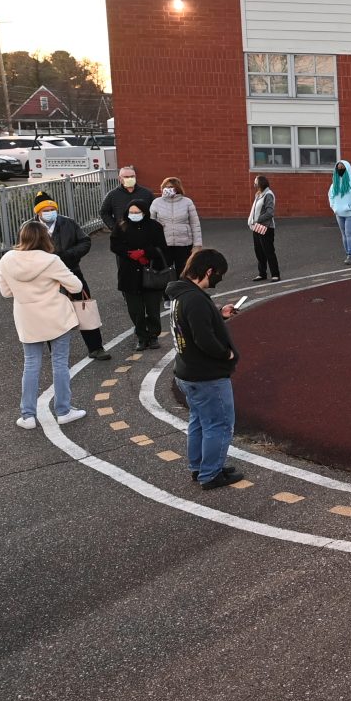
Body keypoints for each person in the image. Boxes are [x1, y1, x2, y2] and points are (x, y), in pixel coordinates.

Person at [0, 218, 88, 431]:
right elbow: (75, 286)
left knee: (31, 364)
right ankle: (64, 410)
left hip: (27, 317)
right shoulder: (51, 260)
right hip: (56, 316)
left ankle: (27, 415)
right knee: (59, 363)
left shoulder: (7, 259)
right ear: (44, 238)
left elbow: (5, 292)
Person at [168, 248, 244, 489]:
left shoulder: (181, 294)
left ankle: (200, 466)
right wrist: (226, 353)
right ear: (208, 271)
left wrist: (218, 314)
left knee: (199, 420)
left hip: (186, 370)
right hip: (206, 374)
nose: (218, 279)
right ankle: (211, 474)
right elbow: (203, 338)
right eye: (218, 274)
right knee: (219, 423)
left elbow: (192, 326)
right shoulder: (196, 300)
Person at [34, 191, 109, 362]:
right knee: (50, 313)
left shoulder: (68, 223)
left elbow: (85, 242)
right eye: (45, 210)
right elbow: (23, 249)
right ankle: (56, 351)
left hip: (71, 271)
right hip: (45, 278)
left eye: (52, 209)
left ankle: (96, 347)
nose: (49, 212)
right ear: (38, 212)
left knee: (84, 307)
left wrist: (68, 255)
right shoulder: (30, 227)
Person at [111, 201, 171, 350]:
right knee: (135, 310)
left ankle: (153, 335)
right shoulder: (121, 226)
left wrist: (145, 252)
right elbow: (115, 245)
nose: (134, 215)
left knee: (152, 309)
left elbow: (161, 247)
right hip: (129, 273)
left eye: (137, 212)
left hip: (151, 272)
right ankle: (141, 337)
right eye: (132, 212)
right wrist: (129, 254)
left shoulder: (154, 226)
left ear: (144, 212)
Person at [150, 176, 204, 262]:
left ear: (177, 188)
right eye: (166, 187)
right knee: (166, 272)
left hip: (184, 244)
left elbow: (195, 224)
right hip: (164, 243)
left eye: (171, 187)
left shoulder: (187, 202)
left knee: (183, 271)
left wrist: (197, 245)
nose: (168, 189)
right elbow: (150, 223)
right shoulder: (156, 202)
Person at [328, 159, 351, 265]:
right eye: (338, 168)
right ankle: (348, 253)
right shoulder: (334, 183)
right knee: (344, 234)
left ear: (347, 168)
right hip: (339, 214)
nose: (340, 170)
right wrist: (334, 208)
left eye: (342, 168)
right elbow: (331, 197)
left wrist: (349, 207)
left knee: (350, 234)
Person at [99, 165, 154, 235]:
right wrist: (114, 227)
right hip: (122, 234)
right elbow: (104, 212)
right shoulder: (112, 195)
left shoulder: (146, 193)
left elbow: (154, 211)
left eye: (132, 176)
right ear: (120, 178)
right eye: (126, 177)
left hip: (144, 232)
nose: (130, 178)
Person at [248, 174, 281, 281]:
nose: (254, 183)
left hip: (266, 228)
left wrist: (257, 219)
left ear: (260, 183)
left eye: (255, 181)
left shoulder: (268, 195)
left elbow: (270, 212)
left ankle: (275, 274)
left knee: (269, 251)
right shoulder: (259, 194)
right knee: (259, 251)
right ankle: (262, 274)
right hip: (257, 227)